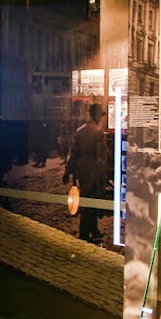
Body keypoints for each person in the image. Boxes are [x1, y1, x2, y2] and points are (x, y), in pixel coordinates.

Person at [64, 103, 111, 245]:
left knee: (87, 200)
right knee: (91, 203)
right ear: (97, 116)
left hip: (83, 173)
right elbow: (102, 158)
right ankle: (84, 233)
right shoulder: (99, 132)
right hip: (95, 173)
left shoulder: (79, 131)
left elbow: (74, 155)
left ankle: (93, 230)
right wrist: (104, 177)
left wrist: (68, 172)